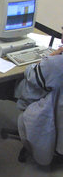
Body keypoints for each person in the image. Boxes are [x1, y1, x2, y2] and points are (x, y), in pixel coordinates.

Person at [14, 27, 63, 165]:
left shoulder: (56, 63)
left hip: (52, 111)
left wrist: (49, 57)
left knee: (22, 83)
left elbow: (32, 75)